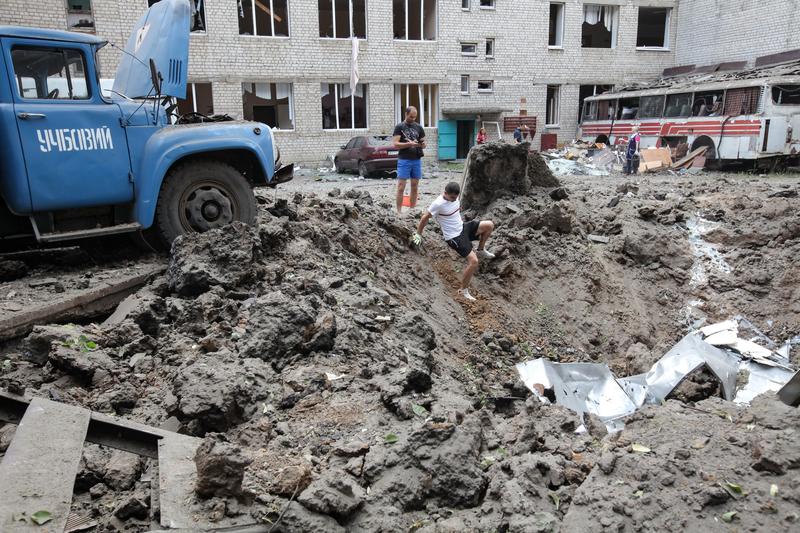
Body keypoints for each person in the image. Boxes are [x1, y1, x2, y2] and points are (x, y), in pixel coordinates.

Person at [412, 182, 495, 301]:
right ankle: (463, 291)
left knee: (489, 225)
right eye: (452, 197)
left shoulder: (454, 198)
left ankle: (481, 249)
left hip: (462, 228)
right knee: (474, 261)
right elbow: (424, 217)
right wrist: (418, 234)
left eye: (456, 197)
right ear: (445, 193)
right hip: (454, 237)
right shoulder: (438, 204)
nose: (454, 200)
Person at [393, 106, 426, 214]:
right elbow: (395, 144)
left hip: (416, 159)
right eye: (411, 117)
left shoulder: (419, 127)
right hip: (404, 160)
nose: (413, 119)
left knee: (415, 186)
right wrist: (409, 144)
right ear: (406, 114)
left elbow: (423, 142)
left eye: (415, 117)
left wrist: (423, 144)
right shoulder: (399, 127)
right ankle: (399, 212)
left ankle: (412, 210)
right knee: (401, 186)